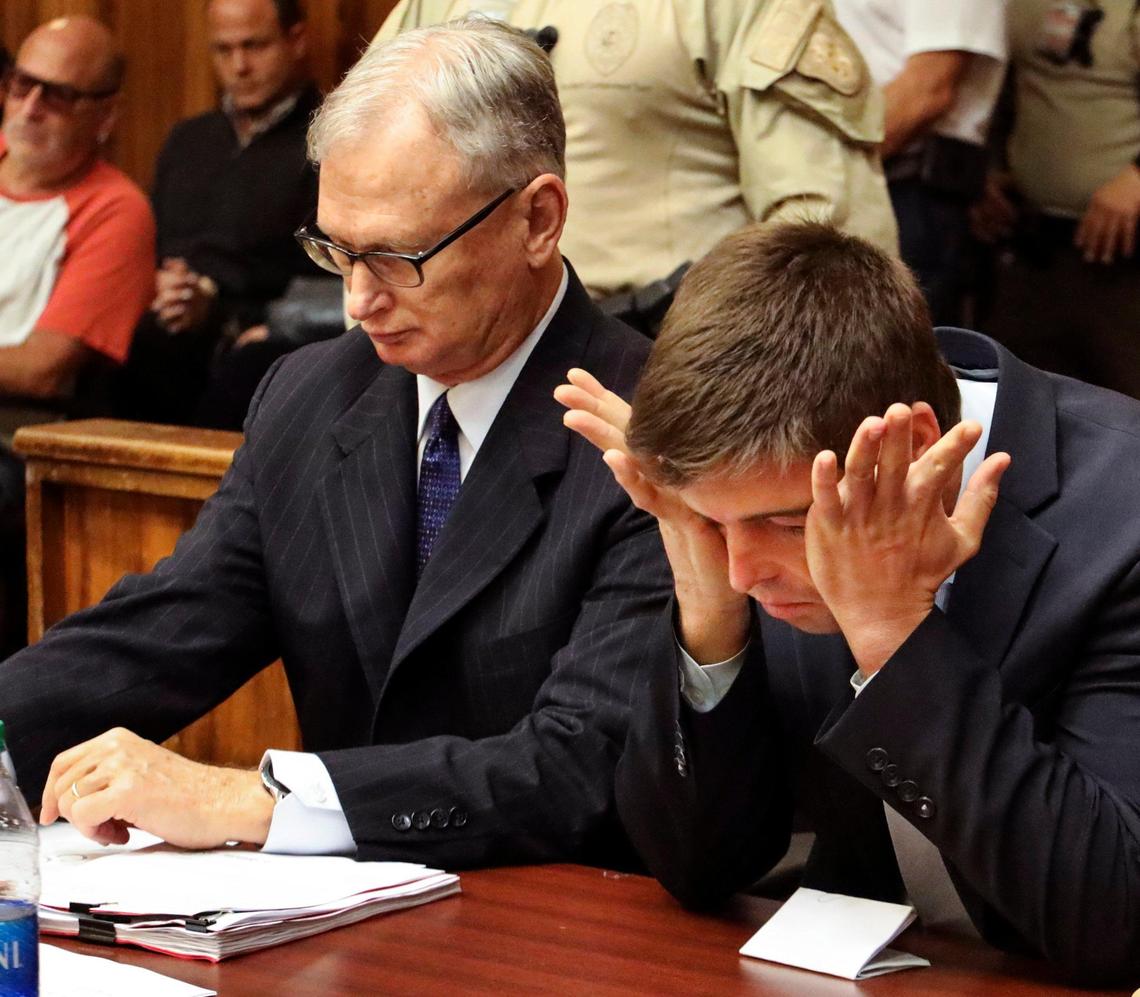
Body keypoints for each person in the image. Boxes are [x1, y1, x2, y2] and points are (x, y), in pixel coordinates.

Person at [0, 17, 670, 872]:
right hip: (336, 929)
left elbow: (576, 761)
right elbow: (164, 631)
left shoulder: (648, 426)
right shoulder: (313, 394)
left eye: (394, 257)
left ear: (538, 219)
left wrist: (250, 798)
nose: (356, 300)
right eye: (335, 251)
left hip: (560, 926)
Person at [557, 221, 1140, 986]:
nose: (744, 570)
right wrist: (707, 617)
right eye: (712, 521)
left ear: (906, 446)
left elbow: (1117, 921)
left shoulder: (1124, 513)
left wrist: (894, 631)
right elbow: (696, 866)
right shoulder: (752, 525)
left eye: (786, 522)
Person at [375, 0, 897, 334]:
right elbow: (367, 183)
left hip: (668, 374)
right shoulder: (430, 7)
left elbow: (828, 237)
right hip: (451, 365)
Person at [0, 16, 154, 656]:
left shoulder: (116, 210)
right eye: (20, 84)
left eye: (58, 95)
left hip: (20, 439)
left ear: (106, 116)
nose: (30, 107)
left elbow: (44, 369)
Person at [115, 0, 320, 427]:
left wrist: (215, 303)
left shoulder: (328, 142)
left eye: (254, 46)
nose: (239, 66)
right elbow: (152, 245)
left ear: (296, 40)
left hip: (263, 336)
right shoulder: (189, 140)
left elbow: (329, 275)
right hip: (165, 328)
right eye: (223, 51)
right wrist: (165, 284)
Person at [971, 0, 1140, 400]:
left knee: (1125, 404)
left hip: (1124, 252)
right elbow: (1002, 86)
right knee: (1025, 399)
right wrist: (987, 167)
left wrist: (1138, 175)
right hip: (1030, 243)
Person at [832, 0, 1007, 325]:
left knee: (886, 358)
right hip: (857, 179)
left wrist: (816, 169)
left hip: (908, 195)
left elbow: (928, 91)